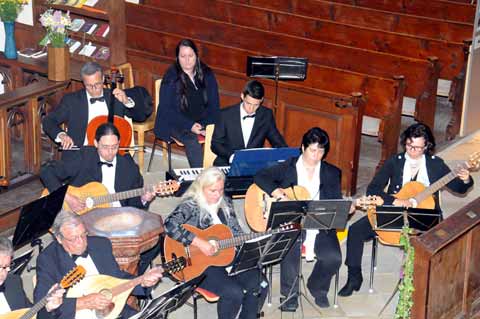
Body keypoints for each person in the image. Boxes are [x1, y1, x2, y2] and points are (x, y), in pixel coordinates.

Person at [339, 122, 474, 297]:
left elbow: (459, 188)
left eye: (418, 147)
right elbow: (373, 189)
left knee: (433, 244)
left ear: (427, 146)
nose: (412, 151)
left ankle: (418, 282)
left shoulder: (435, 164)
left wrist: (465, 179)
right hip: (394, 210)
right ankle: (354, 277)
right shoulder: (395, 162)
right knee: (356, 230)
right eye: (409, 146)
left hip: (424, 215)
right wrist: (395, 201)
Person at [254, 127, 344, 310]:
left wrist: (343, 209)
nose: (316, 155)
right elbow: (260, 176)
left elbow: (335, 200)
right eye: (313, 150)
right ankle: (290, 296)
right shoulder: (288, 167)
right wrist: (277, 191)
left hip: (319, 223)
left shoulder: (332, 173)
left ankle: (317, 288)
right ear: (303, 148)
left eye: (321, 151)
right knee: (290, 249)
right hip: (291, 221)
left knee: (333, 258)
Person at [163, 167, 268, 319]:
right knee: (234, 292)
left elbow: (235, 231)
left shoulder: (225, 202)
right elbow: (170, 225)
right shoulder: (191, 205)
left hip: (228, 257)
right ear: (201, 187)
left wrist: (251, 240)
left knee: (261, 284)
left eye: (220, 189)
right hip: (200, 264)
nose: (218, 194)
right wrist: (199, 243)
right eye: (213, 190)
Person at [34, 210, 162, 319]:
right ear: (59, 238)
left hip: (115, 310)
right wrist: (84, 302)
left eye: (83, 235)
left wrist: (143, 282)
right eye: (73, 238)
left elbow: (117, 278)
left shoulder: (100, 244)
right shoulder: (47, 259)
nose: (81, 242)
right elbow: (42, 307)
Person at [40, 122, 156, 212]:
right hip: (85, 214)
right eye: (105, 147)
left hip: (116, 214)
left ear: (119, 143)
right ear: (96, 143)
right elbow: (46, 171)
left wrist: (144, 199)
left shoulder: (129, 167)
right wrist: (67, 197)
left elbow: (133, 205)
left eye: (114, 146)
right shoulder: (84, 156)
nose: (110, 152)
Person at [42, 61, 149, 152]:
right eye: (89, 85)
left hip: (114, 153)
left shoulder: (115, 97)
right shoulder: (72, 100)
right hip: (82, 153)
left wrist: (127, 101)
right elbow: (48, 120)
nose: (94, 89)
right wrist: (61, 135)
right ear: (83, 83)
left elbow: (141, 116)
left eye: (97, 84)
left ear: (103, 79)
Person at [153, 39, 220, 168]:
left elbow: (214, 104)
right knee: (191, 140)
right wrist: (190, 125)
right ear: (177, 58)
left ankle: (218, 171)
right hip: (176, 121)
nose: (187, 60)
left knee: (222, 131)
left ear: (196, 56)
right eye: (183, 56)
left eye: (190, 56)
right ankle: (199, 177)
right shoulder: (171, 77)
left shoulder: (207, 74)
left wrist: (207, 126)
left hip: (201, 120)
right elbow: (167, 111)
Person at [211, 80, 287, 166]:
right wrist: (232, 156)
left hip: (252, 165)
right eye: (248, 103)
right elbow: (215, 144)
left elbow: (278, 142)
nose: (251, 109)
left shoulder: (266, 115)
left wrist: (286, 155)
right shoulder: (225, 115)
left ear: (261, 100)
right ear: (242, 96)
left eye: (256, 105)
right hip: (227, 163)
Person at [0, 236, 64, 316]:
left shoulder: (13, 283)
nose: (2, 273)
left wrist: (49, 308)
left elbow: (31, 314)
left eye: (7, 266)